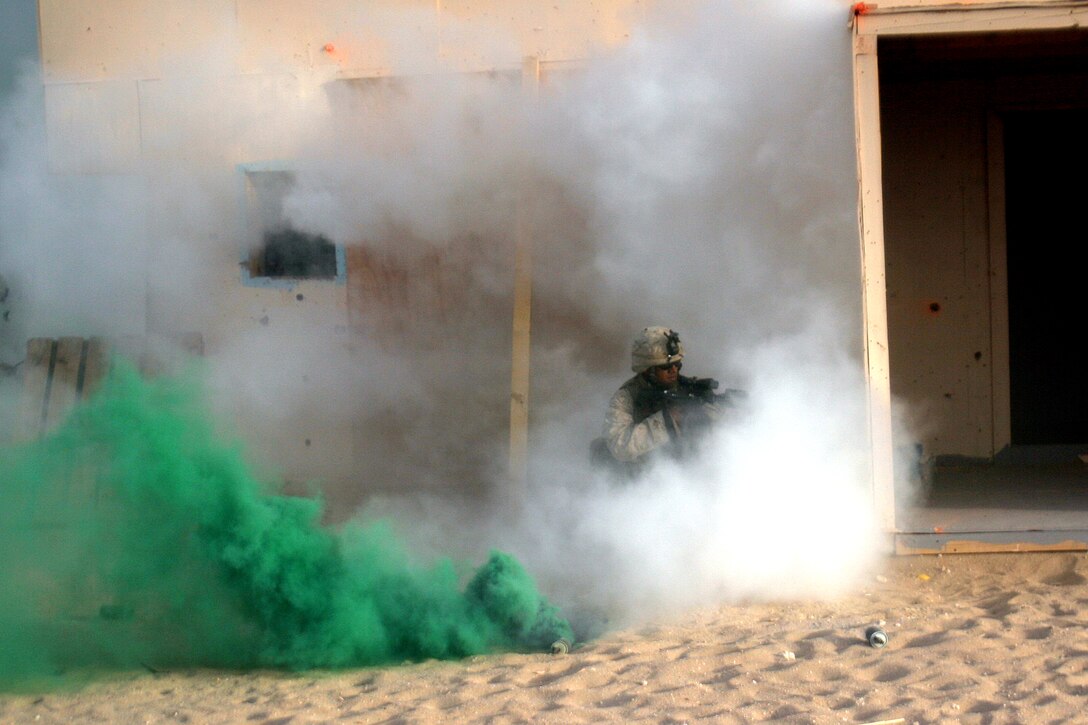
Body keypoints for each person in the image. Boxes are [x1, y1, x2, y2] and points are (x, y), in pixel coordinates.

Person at [591, 326, 737, 477]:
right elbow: (619, 446)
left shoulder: (688, 388)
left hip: (682, 472)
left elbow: (721, 437)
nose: (673, 370)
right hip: (643, 477)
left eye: (677, 364)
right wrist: (666, 420)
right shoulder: (626, 398)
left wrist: (711, 411)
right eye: (666, 367)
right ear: (647, 369)